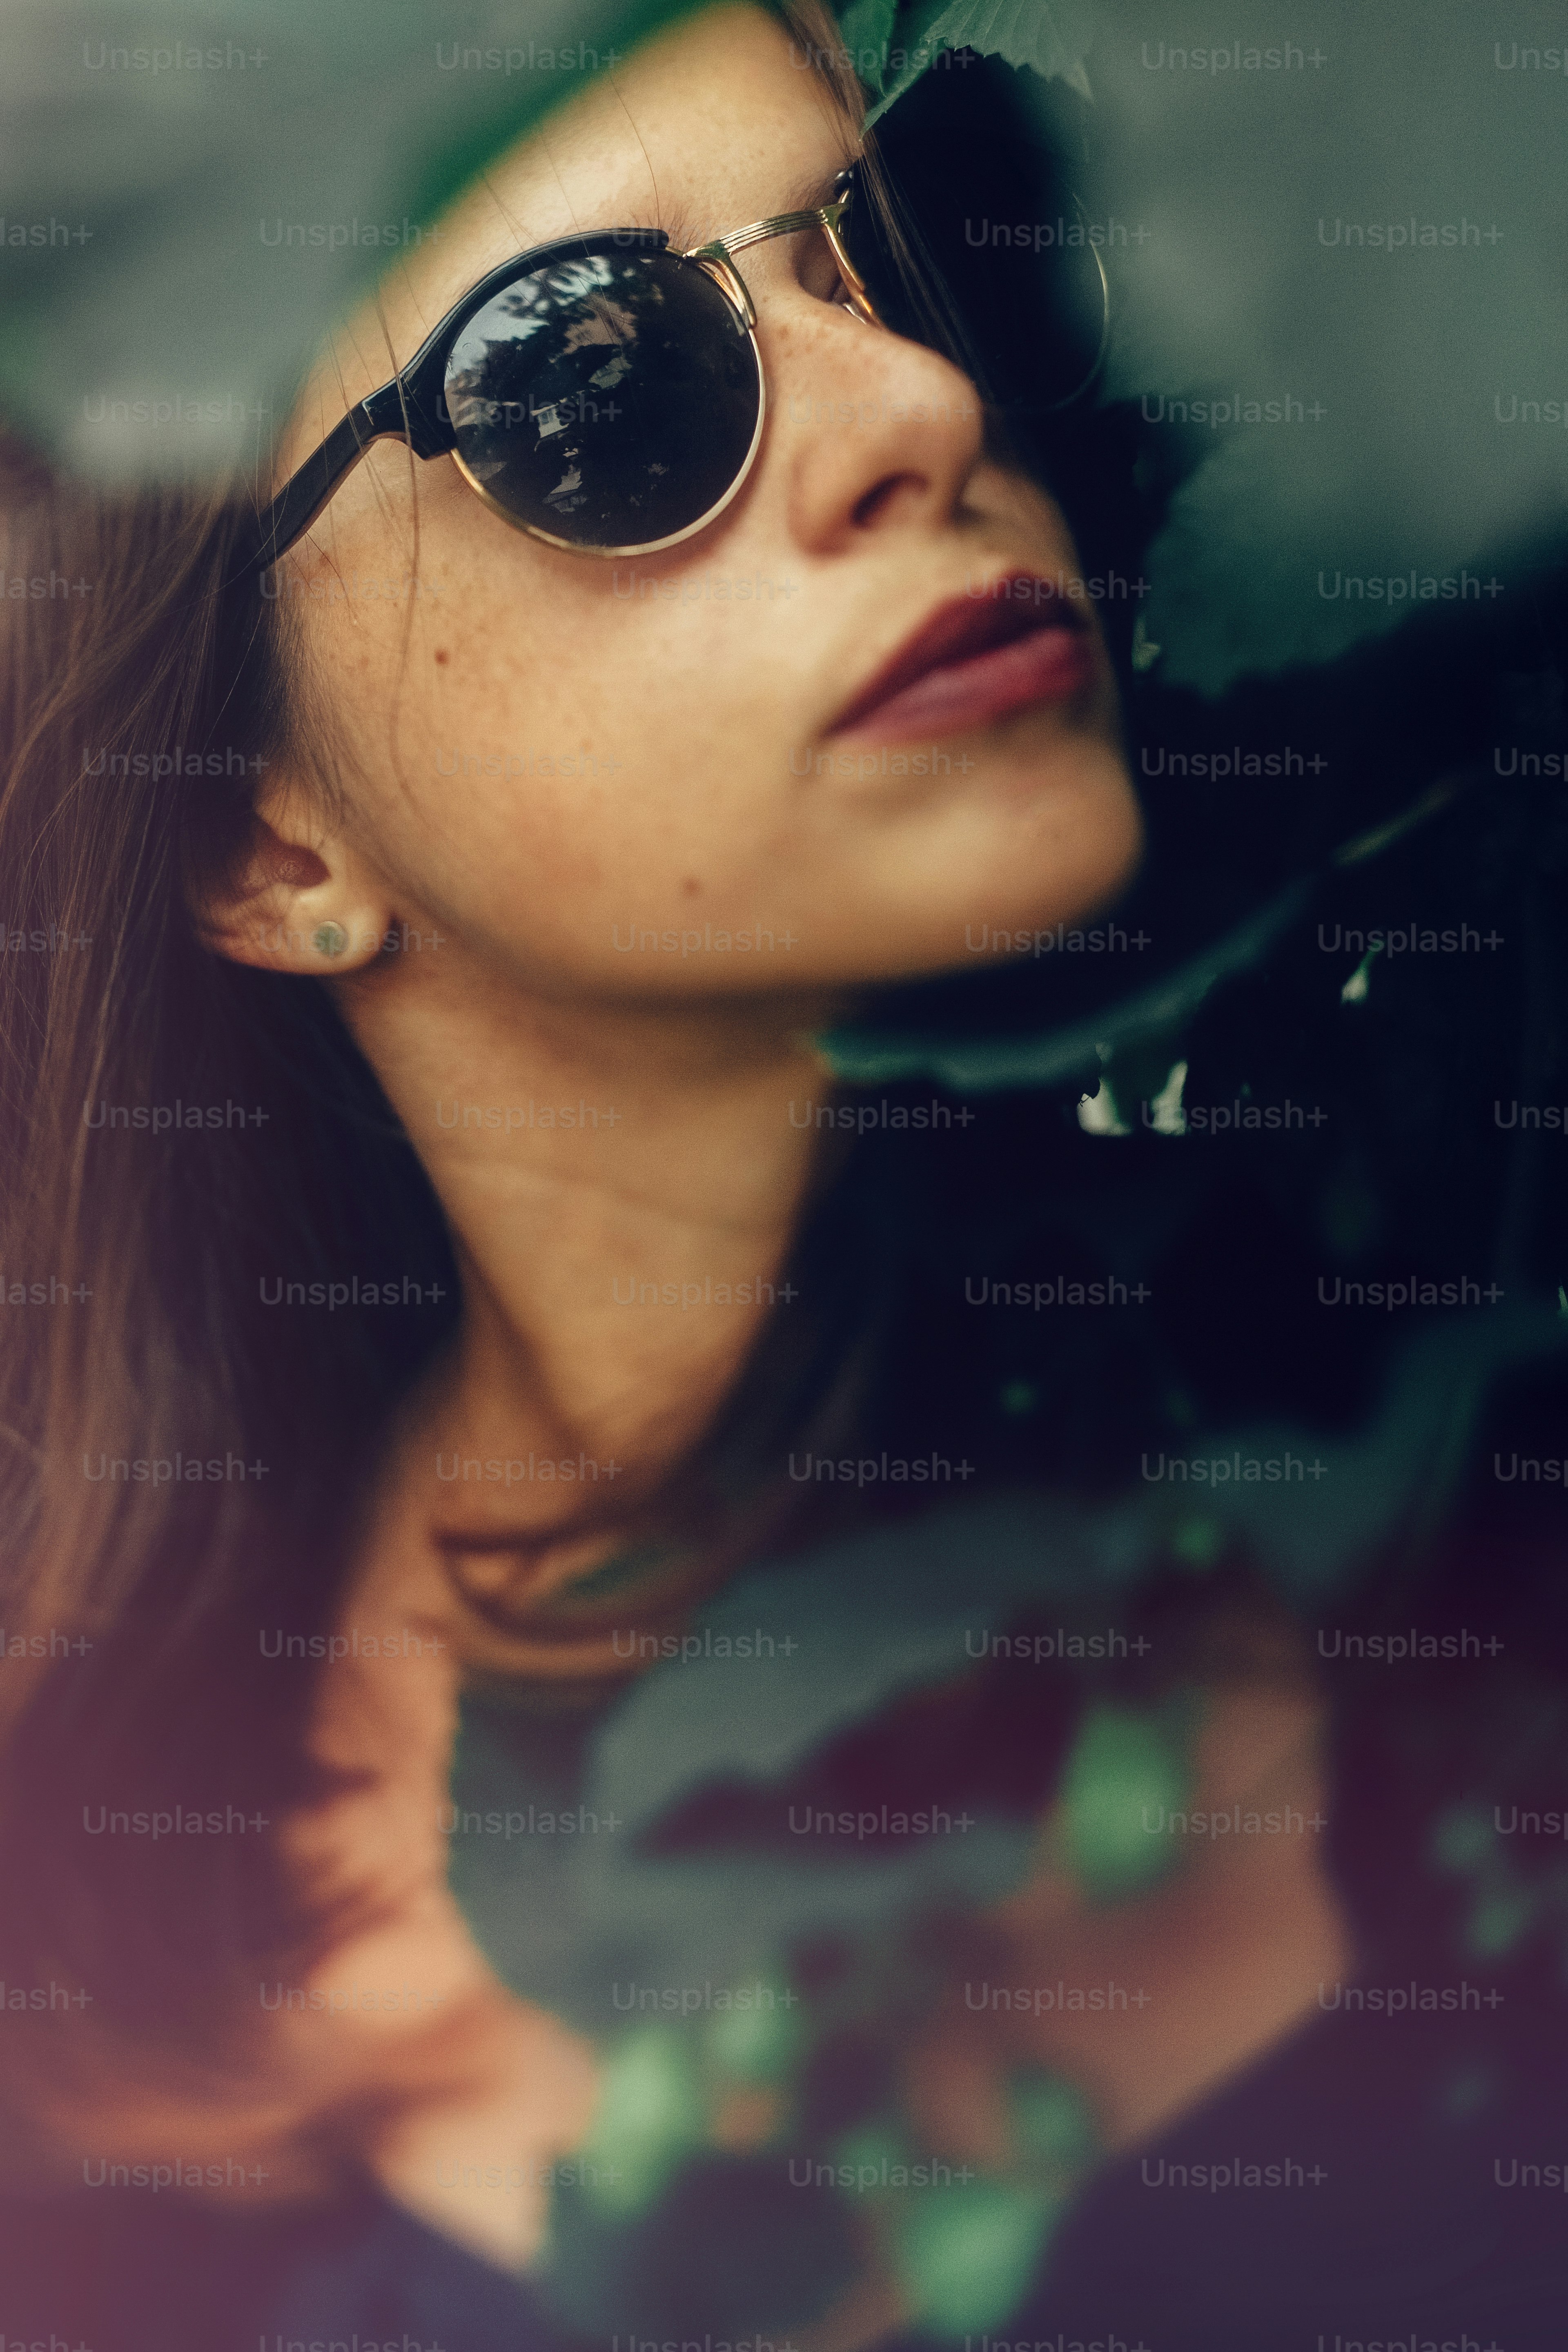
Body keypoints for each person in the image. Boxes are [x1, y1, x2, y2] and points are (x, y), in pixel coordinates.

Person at [2, 4, 1565, 2348]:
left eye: (903, 258)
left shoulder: (1456, 1431)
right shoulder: (110, 1981)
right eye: (605, 385)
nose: (917, 410)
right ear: (260, 834)